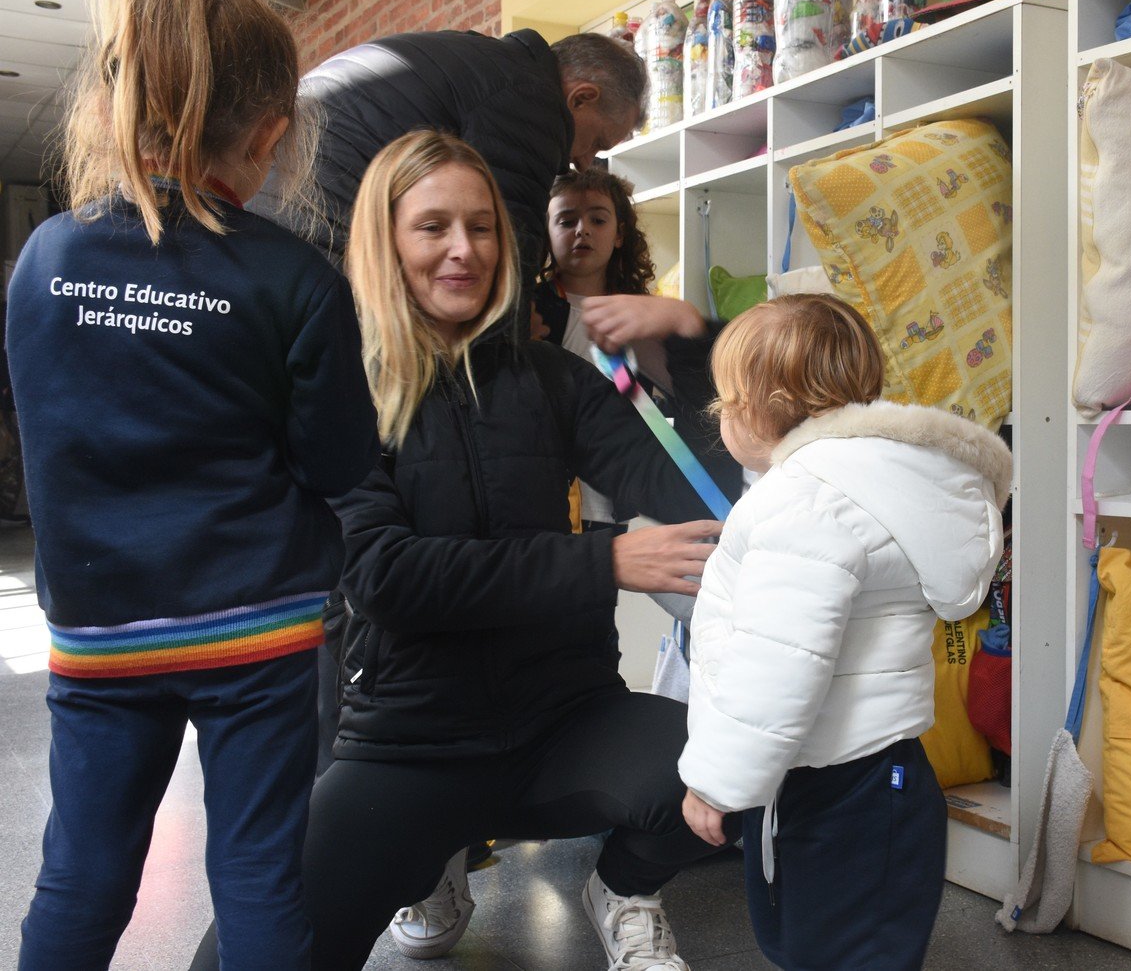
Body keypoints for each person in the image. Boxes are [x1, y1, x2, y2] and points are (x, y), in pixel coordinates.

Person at [193, 129, 723, 971]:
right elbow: (385, 578)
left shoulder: (555, 379)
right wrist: (605, 558)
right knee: (246, 955)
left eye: (480, 227)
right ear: (386, 240)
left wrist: (688, 337)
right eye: (432, 226)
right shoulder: (340, 393)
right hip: (411, 745)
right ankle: (427, 865)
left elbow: (698, 490)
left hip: (566, 720)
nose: (463, 250)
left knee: (760, 768)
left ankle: (621, 886)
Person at [6, 0, 380, 970]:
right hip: (253, 623)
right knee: (257, 874)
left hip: (100, 624)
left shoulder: (45, 258)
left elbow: (52, 426)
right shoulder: (291, 278)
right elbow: (341, 462)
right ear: (269, 131)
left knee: (81, 873)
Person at [677, 295, 1011, 970]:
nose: (719, 417)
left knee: (840, 949)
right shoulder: (857, 487)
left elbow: (779, 662)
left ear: (761, 405)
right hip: (854, 770)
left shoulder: (803, 503)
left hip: (841, 780)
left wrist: (716, 779)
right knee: (817, 942)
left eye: (722, 402)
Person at [253, 27, 647, 278]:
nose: (582, 162)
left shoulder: (484, 60)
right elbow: (510, 258)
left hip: (270, 197)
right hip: (313, 224)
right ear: (581, 98)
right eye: (597, 143)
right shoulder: (533, 103)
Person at [535, 166, 744, 520]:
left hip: (625, 490)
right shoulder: (531, 312)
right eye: (566, 221)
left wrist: (683, 328)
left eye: (598, 220)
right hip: (551, 487)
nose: (582, 230)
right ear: (546, 233)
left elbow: (692, 399)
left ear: (620, 234)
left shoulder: (643, 317)